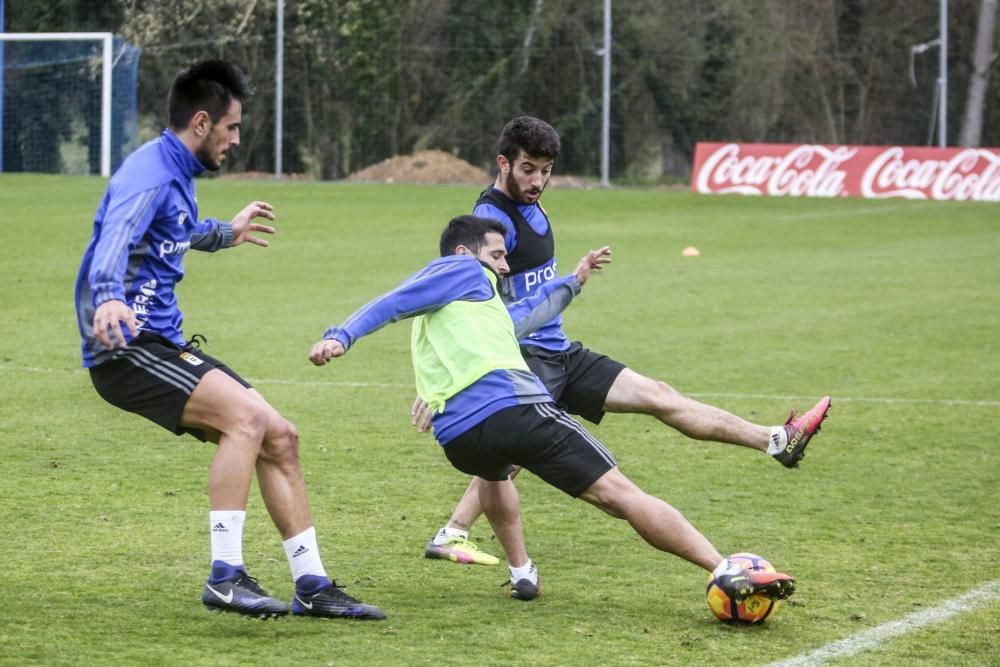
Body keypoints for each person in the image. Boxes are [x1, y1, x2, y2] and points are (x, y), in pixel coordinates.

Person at [310, 215, 797, 604]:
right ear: (465, 252)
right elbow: (392, 301)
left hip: (458, 439)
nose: (505, 266)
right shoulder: (459, 270)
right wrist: (341, 334)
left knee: (495, 475)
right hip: (514, 411)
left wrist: (574, 281)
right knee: (622, 495)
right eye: (498, 255)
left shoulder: (473, 307)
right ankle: (724, 568)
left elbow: (530, 314)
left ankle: (522, 572)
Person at [419, 116, 832, 567]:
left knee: (659, 396)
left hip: (561, 352)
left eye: (546, 170)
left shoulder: (533, 206)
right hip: (524, 360)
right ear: (503, 163)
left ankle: (775, 440)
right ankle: (455, 530)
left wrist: (572, 278)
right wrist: (445, 380)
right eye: (528, 169)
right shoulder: (490, 219)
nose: (538, 180)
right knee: (512, 454)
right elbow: (464, 296)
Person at [73, 59, 384, 621]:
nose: (236, 139)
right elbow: (115, 235)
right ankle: (224, 576)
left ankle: (312, 583)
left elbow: (172, 229)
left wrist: (223, 233)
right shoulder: (150, 173)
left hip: (160, 343)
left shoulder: (176, 175)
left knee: (280, 436)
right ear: (201, 122)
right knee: (245, 420)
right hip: (125, 348)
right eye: (232, 127)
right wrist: (108, 294)